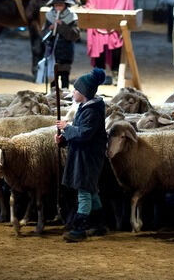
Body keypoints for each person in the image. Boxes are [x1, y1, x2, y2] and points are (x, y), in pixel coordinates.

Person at [56, 67, 108, 242]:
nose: (73, 92)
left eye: (76, 90)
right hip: (83, 154)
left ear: (84, 93)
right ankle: (99, 224)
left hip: (88, 157)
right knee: (90, 190)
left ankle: (79, 229)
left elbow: (85, 133)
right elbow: (79, 133)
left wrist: (67, 128)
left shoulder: (92, 111)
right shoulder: (85, 107)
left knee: (84, 191)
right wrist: (63, 139)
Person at [41, 0, 79, 90]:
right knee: (53, 78)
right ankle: (53, 98)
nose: (58, 8)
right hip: (52, 53)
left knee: (64, 77)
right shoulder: (49, 16)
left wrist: (62, 26)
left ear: (66, 5)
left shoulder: (72, 17)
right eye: (56, 5)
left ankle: (65, 98)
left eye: (61, 5)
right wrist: (49, 29)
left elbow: (75, 35)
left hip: (65, 52)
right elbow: (43, 34)